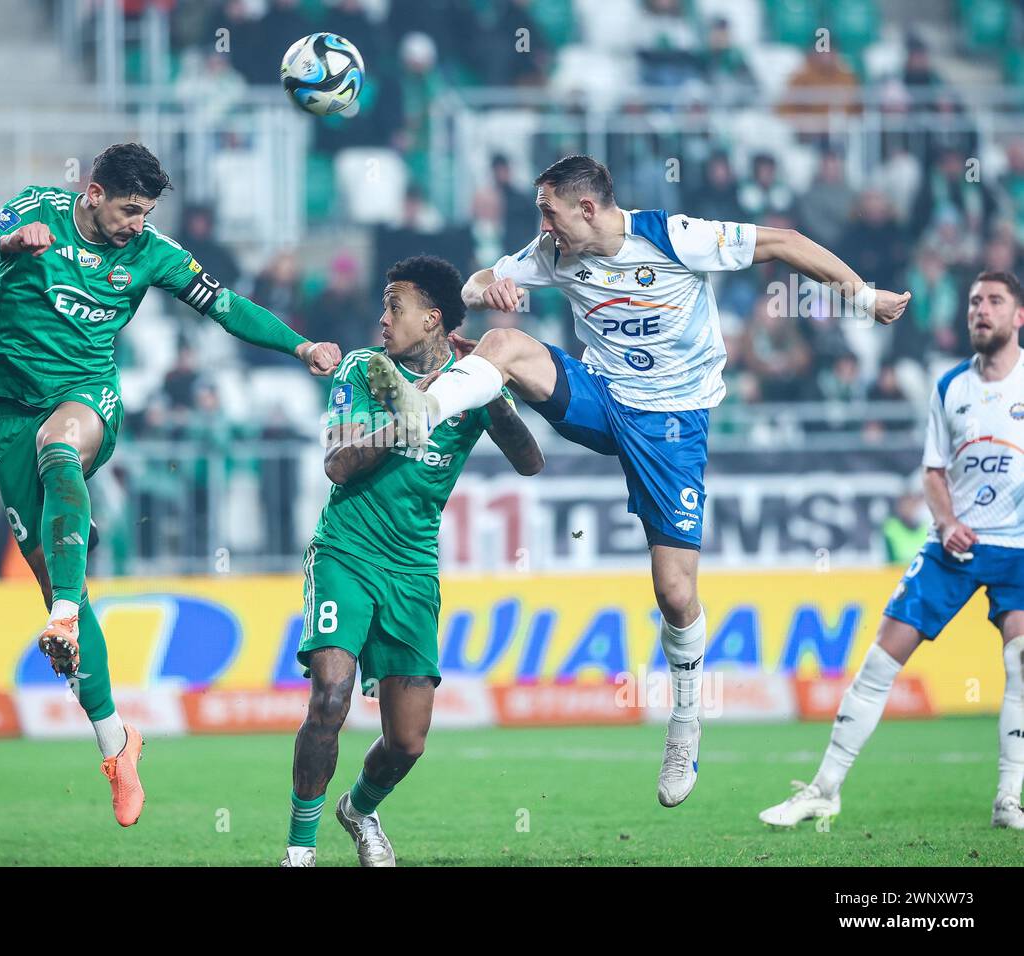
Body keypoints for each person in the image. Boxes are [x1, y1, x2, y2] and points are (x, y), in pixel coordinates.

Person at [368, 155, 910, 809]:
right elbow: (482, 283)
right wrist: (492, 289)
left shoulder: (673, 236)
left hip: (672, 424)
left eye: (549, 211)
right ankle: (423, 409)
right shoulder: (552, 252)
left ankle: (685, 722)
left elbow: (784, 244)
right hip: (600, 397)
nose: (543, 224)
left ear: (586, 209)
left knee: (676, 593)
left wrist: (864, 295)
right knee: (504, 344)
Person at [0, 143, 341, 827]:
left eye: (147, 213)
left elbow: (225, 306)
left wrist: (299, 346)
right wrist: (9, 241)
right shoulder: (39, 208)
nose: (137, 224)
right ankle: (116, 742)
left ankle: (63, 606)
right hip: (8, 411)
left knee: (59, 449)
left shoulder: (152, 253)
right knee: (54, 568)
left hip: (86, 397)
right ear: (93, 193)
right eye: (129, 210)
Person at [281, 256, 543, 867]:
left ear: (433, 319)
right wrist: (407, 420)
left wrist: (493, 392)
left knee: (407, 742)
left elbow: (531, 463)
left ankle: (359, 810)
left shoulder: (467, 385)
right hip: (346, 551)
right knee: (329, 695)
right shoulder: (361, 369)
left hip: (413, 569)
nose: (383, 318)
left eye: (394, 307)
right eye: (383, 305)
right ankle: (299, 853)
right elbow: (338, 465)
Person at [760, 271, 1024, 831]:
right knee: (882, 658)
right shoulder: (951, 386)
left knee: (1019, 665)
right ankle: (824, 789)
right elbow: (932, 471)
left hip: (1018, 549)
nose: (981, 310)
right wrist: (947, 519)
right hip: (954, 545)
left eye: (995, 301)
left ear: (1018, 316)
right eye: (975, 301)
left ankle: (1008, 799)